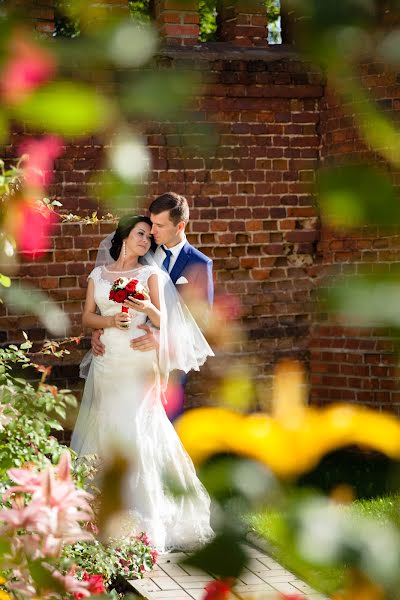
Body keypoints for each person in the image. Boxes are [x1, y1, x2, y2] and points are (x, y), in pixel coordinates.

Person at [70, 214, 214, 552]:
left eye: (150, 237)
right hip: (108, 362)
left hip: (139, 362)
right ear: (123, 237)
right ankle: (99, 512)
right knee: (104, 427)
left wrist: (147, 307)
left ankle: (144, 517)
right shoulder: (98, 275)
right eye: (141, 234)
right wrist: (107, 322)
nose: (146, 241)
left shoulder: (152, 274)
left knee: (137, 429)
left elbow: (168, 321)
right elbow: (87, 315)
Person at [91, 192, 214, 419]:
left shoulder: (199, 264)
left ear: (180, 226)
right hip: (128, 352)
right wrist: (100, 329)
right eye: (152, 223)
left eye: (159, 225)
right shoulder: (143, 249)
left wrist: (162, 338)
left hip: (171, 357)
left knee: (162, 424)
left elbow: (202, 322)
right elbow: (110, 292)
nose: (152, 231)